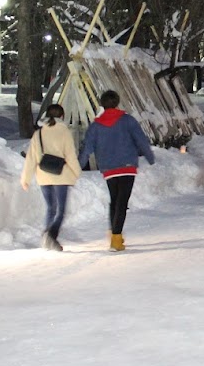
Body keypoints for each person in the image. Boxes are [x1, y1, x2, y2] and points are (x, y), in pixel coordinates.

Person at [79, 90, 155, 251]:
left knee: (115, 200)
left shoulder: (96, 125)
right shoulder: (128, 121)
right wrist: (150, 156)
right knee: (122, 202)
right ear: (117, 102)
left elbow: (87, 147)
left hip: (108, 167)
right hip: (127, 166)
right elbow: (141, 140)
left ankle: (114, 231)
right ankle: (116, 237)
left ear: (102, 104)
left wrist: (79, 165)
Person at [20, 103, 80, 251]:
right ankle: (51, 236)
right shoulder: (64, 132)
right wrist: (77, 172)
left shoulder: (38, 133)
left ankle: (46, 238)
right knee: (60, 210)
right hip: (62, 175)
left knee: (50, 208)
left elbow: (31, 158)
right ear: (62, 116)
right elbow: (71, 155)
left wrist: (25, 179)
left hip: (44, 175)